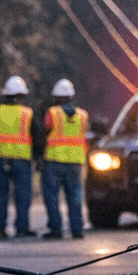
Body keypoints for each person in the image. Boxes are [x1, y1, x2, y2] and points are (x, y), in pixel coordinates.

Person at [0, 76, 38, 240]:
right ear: (20, 96)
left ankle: (0, 229)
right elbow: (38, 138)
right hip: (22, 161)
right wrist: (37, 157)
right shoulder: (27, 113)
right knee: (23, 196)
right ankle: (22, 228)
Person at [40, 78, 89, 239]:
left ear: (56, 97)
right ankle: (77, 229)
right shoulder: (82, 115)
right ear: (72, 97)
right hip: (75, 163)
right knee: (75, 197)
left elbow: (44, 134)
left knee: (52, 197)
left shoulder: (52, 113)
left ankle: (56, 229)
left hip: (54, 161)